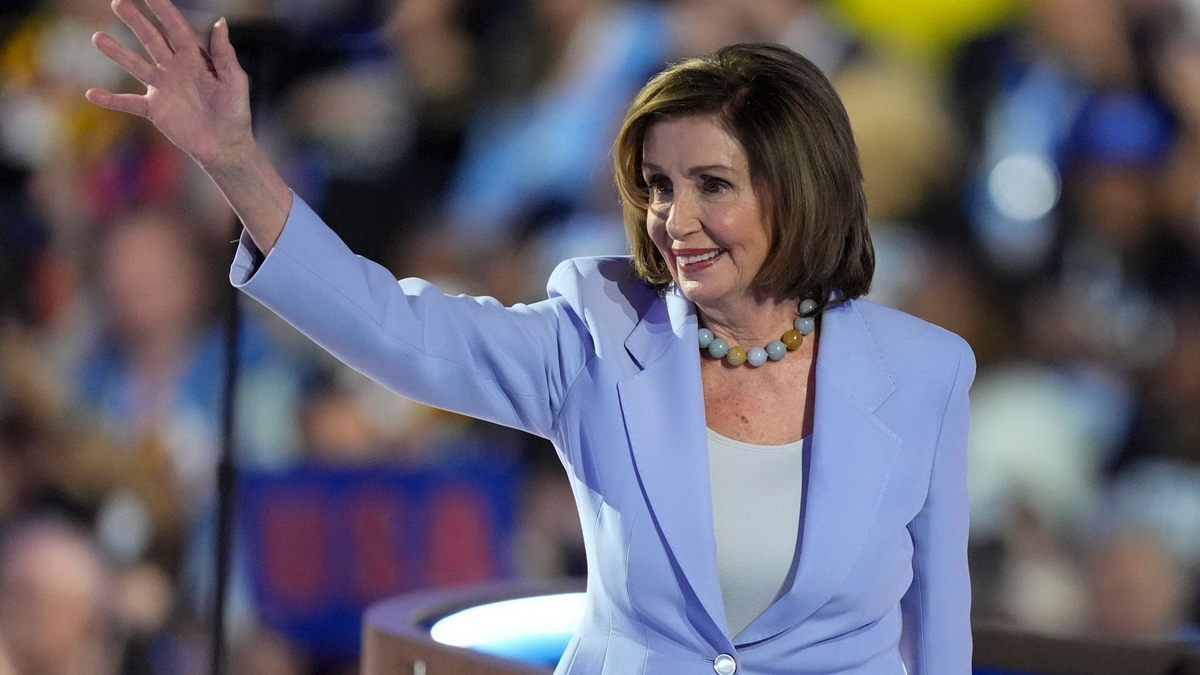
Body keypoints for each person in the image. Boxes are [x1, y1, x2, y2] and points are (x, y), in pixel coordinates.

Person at [84, 0, 975, 672]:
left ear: (798, 186)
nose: (674, 219)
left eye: (712, 184)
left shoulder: (926, 372)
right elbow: (395, 328)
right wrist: (236, 160)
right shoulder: (598, 330)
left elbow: (938, 634)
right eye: (659, 185)